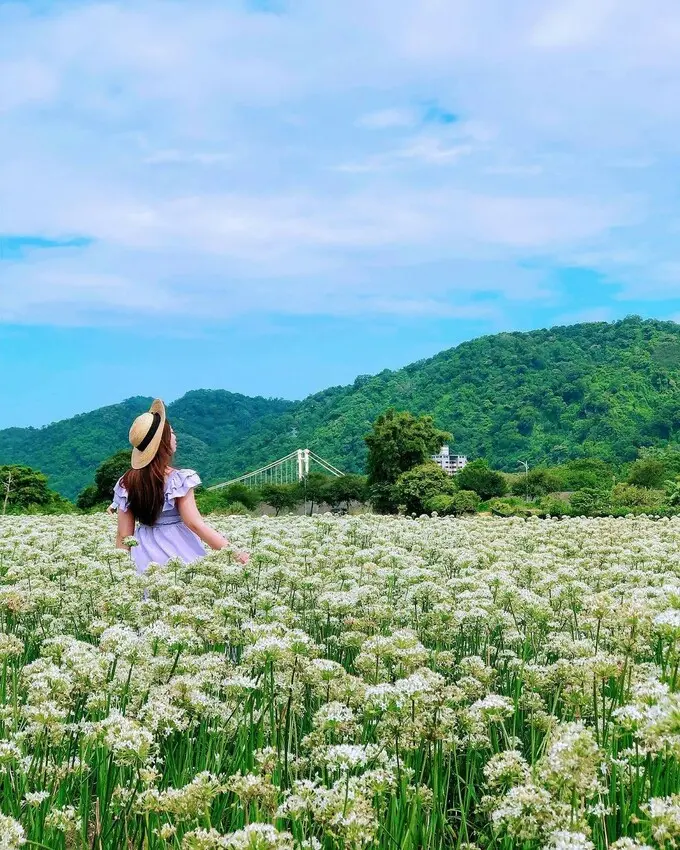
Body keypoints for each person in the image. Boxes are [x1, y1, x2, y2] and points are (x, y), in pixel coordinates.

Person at [113, 398, 249, 573]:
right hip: (179, 550)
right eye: (172, 433)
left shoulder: (126, 483)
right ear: (163, 442)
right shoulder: (179, 479)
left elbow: (124, 535)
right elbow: (195, 524)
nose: (175, 437)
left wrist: (119, 575)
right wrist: (237, 554)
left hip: (143, 556)